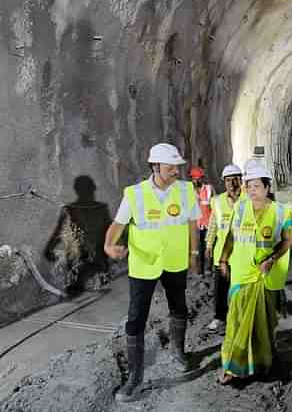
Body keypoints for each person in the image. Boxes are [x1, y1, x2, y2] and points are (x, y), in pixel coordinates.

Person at [103, 143, 200, 402]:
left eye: (177, 167)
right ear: (155, 167)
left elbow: (192, 223)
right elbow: (117, 224)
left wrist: (194, 254)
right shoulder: (134, 194)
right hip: (144, 264)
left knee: (179, 305)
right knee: (136, 318)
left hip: (175, 260)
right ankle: (135, 377)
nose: (176, 172)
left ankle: (178, 351)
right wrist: (109, 244)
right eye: (170, 167)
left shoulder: (186, 190)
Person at [217, 163, 292, 385]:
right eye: (249, 185)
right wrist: (223, 259)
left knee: (265, 323)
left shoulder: (282, 212)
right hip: (241, 274)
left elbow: (288, 240)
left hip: (266, 276)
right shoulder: (240, 209)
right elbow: (231, 237)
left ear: (268, 187)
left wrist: (272, 259)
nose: (252, 190)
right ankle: (233, 367)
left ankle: (263, 363)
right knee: (236, 321)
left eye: (257, 186)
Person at [205, 164, 245, 332]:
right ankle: (220, 317)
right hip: (221, 254)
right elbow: (213, 225)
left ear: (241, 180)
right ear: (224, 182)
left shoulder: (249, 200)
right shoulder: (217, 201)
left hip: (243, 254)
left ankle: (242, 318)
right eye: (228, 180)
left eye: (235, 179)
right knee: (221, 289)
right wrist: (208, 245)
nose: (232, 183)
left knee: (241, 289)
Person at [191, 166, 214, 275]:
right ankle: (199, 271)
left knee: (208, 247)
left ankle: (208, 269)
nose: (195, 180)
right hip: (196, 225)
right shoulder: (190, 191)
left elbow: (215, 206)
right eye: (194, 178)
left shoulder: (209, 189)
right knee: (197, 248)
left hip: (209, 224)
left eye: (197, 178)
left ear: (202, 178)